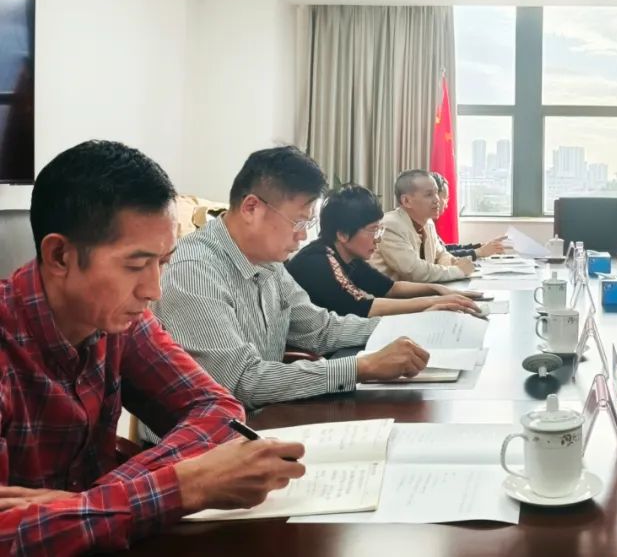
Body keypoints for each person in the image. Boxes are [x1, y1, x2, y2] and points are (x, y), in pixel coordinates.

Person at [0, 141, 305, 553]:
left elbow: (218, 410)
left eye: (162, 263)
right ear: (59, 256)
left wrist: (94, 505)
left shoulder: (120, 321)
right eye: (135, 265)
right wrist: (183, 487)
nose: (153, 290)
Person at [155, 147, 430, 409]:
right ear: (251, 208)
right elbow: (241, 382)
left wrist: (412, 329)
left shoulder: (269, 262)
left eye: (307, 224)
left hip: (263, 416)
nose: (302, 235)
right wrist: (363, 367)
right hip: (212, 435)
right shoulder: (194, 271)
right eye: (298, 222)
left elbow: (321, 330)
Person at [287, 184, 482, 317]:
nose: (378, 238)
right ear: (343, 234)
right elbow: (366, 308)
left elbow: (390, 288)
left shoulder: (349, 256)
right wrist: (434, 302)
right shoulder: (319, 261)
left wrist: (438, 290)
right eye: (373, 230)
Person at [369, 170, 475, 282]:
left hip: (419, 290)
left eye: (436, 192)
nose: (437, 199)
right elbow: (413, 271)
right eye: (429, 195)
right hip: (386, 292)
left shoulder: (428, 223)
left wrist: (454, 263)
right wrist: (458, 271)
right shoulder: (389, 225)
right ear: (406, 201)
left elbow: (440, 254)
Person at [430, 171, 506, 259]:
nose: (447, 204)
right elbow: (441, 257)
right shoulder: (422, 226)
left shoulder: (429, 223)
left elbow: (444, 249)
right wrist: (480, 251)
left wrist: (480, 247)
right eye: (445, 198)